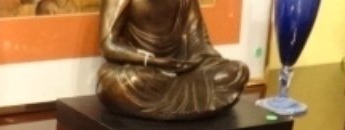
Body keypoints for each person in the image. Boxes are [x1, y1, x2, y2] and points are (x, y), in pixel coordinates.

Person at [96, 0, 250, 120]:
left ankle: (177, 99)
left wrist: (192, 63)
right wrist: (151, 61)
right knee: (119, 82)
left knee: (237, 71)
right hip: (143, 69)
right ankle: (190, 100)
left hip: (180, 69)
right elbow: (108, 45)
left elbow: (199, 42)